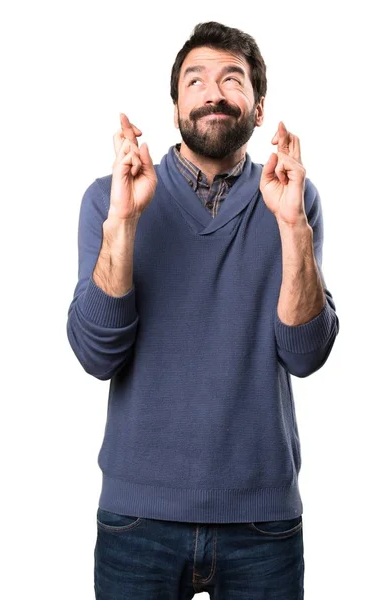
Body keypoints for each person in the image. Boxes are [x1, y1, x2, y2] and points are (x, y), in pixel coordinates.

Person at [67, 20, 339, 600]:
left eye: (232, 79)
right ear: (175, 109)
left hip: (262, 521)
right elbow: (95, 353)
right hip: (137, 519)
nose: (213, 93)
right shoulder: (109, 198)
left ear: (258, 108)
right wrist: (125, 222)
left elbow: (306, 353)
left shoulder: (293, 199)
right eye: (195, 81)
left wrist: (292, 226)